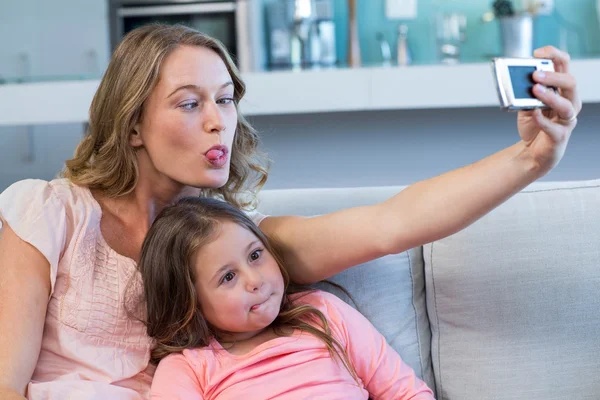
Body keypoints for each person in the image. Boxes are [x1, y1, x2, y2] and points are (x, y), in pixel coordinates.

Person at [0, 22, 581, 399]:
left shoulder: (239, 247)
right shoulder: (47, 214)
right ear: (131, 125)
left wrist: (532, 159)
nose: (217, 121)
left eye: (226, 99)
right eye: (190, 103)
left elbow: (392, 225)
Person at [139, 196, 435, 399]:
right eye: (228, 277)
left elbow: (406, 392)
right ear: (189, 303)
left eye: (255, 255)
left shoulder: (323, 312)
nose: (255, 280)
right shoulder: (188, 367)